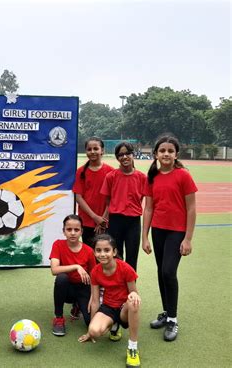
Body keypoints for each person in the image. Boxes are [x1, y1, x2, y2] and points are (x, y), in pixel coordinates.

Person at [142, 135, 197, 342]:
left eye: (170, 151)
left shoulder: (183, 175)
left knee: (168, 271)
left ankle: (173, 319)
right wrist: (144, 237)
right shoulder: (152, 177)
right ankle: (166, 312)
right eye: (162, 150)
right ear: (155, 154)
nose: (166, 154)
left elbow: (191, 209)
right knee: (160, 272)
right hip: (158, 230)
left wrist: (188, 239)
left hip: (177, 232)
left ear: (176, 154)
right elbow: (148, 208)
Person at [78, 234, 141, 368]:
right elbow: (95, 301)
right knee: (95, 331)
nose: (103, 254)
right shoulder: (95, 271)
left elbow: (134, 292)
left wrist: (134, 296)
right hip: (108, 307)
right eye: (98, 250)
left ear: (114, 252)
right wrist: (90, 329)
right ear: (94, 252)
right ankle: (114, 325)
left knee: (134, 302)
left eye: (107, 250)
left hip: (124, 308)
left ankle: (133, 348)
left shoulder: (125, 268)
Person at [101, 142, 147, 270]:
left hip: (133, 222)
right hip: (115, 221)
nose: (124, 157)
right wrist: (104, 220)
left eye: (128, 153)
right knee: (116, 256)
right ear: (117, 158)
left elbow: (145, 200)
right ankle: (117, 288)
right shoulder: (111, 177)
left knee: (132, 258)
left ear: (133, 155)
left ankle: (131, 288)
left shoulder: (142, 178)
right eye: (120, 155)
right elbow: (108, 201)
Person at [50, 215, 96, 336]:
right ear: (63, 231)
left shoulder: (89, 251)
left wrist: (93, 298)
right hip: (66, 289)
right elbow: (54, 269)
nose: (72, 233)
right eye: (69, 229)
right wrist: (77, 266)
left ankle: (78, 306)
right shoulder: (58, 245)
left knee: (90, 323)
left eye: (76, 230)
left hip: (83, 288)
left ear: (81, 231)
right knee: (61, 277)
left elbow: (94, 277)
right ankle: (58, 318)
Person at [72, 137, 114, 248]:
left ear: (102, 151)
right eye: (89, 149)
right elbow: (78, 197)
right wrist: (95, 217)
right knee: (89, 254)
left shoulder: (111, 172)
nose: (92, 152)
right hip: (87, 221)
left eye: (96, 148)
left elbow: (112, 198)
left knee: (104, 255)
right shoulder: (81, 171)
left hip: (106, 221)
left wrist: (103, 220)